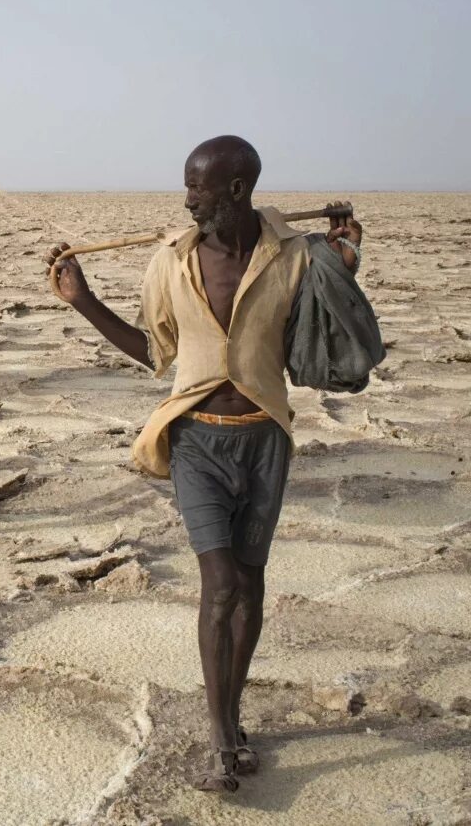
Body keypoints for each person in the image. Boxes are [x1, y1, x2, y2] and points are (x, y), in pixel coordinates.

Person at [45, 136, 363, 793]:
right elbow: (153, 351)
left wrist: (346, 255)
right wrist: (83, 301)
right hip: (197, 443)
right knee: (220, 582)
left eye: (201, 189)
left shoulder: (293, 256)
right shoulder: (170, 261)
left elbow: (325, 331)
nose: (189, 199)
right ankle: (221, 739)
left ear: (238, 190)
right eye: (187, 186)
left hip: (265, 440)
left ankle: (232, 712)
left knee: (249, 583)